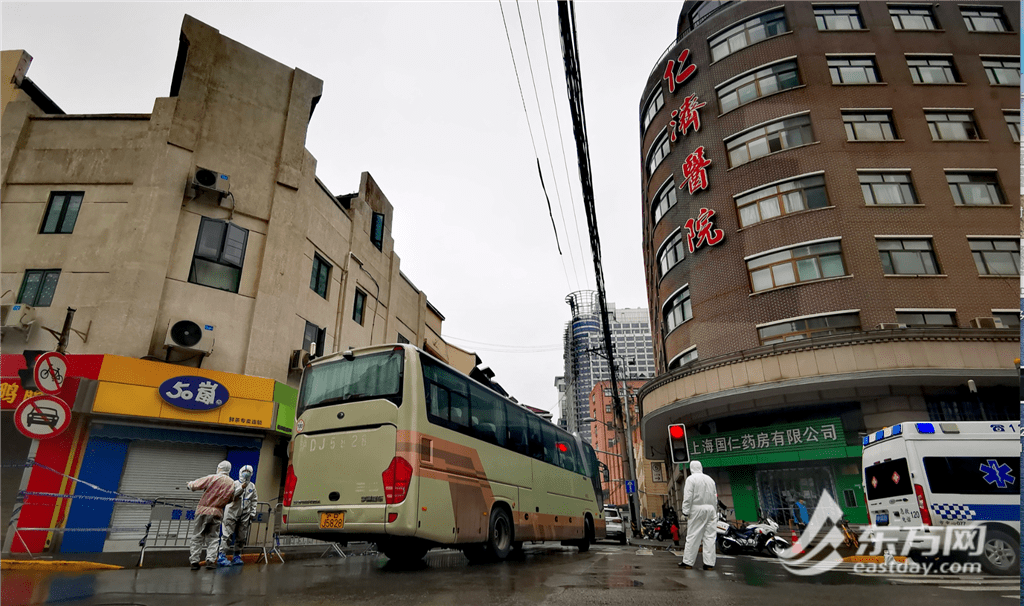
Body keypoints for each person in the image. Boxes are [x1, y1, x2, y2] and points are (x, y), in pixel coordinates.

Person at [186, 460, 237, 570]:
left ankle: (195, 561)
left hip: (203, 510)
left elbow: (195, 485)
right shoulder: (232, 483)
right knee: (213, 538)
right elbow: (231, 499)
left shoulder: (212, 478)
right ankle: (210, 560)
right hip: (217, 512)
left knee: (197, 536)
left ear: (219, 468)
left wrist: (189, 485)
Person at [678, 460, 718, 571]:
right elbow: (715, 497)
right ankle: (709, 564)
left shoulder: (691, 479)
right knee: (709, 537)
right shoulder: (710, 480)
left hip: (697, 509)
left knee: (693, 536)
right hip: (711, 510)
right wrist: (715, 510)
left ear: (691, 468)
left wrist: (685, 512)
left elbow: (688, 497)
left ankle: (688, 562)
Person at [219, 464, 259, 566]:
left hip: (245, 514)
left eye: (249, 472)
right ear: (240, 472)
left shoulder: (252, 486)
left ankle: (237, 555)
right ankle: (222, 555)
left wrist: (252, 513)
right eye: (245, 471)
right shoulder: (234, 483)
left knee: (241, 536)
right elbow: (232, 495)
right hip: (232, 512)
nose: (246, 473)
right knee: (227, 535)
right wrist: (242, 487)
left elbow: (254, 500)